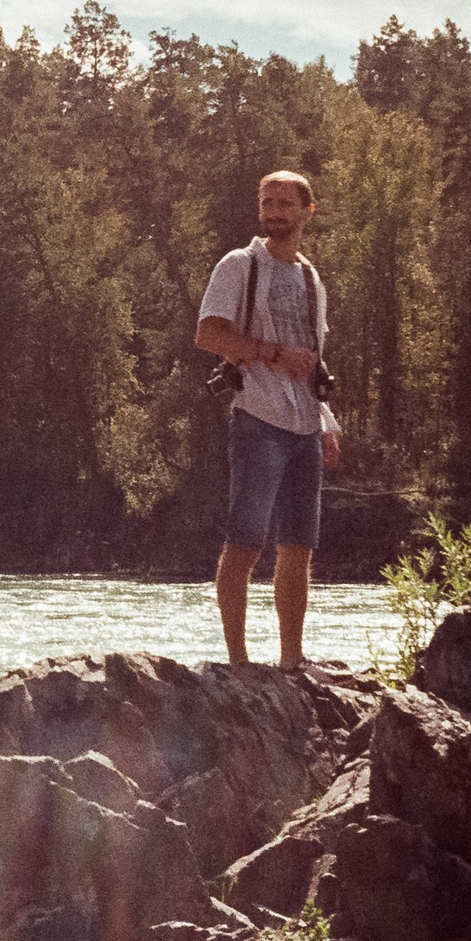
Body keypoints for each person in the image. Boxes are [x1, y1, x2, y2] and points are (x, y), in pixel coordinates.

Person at [195, 169, 340, 667]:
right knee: (245, 543)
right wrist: (272, 354)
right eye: (267, 201)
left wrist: (327, 422)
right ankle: (238, 663)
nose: (274, 210)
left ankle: (291, 660)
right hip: (257, 420)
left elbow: (315, 357)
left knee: (299, 547)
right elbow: (209, 335)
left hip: (304, 427)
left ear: (307, 211)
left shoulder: (309, 277)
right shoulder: (240, 264)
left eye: (285, 203)